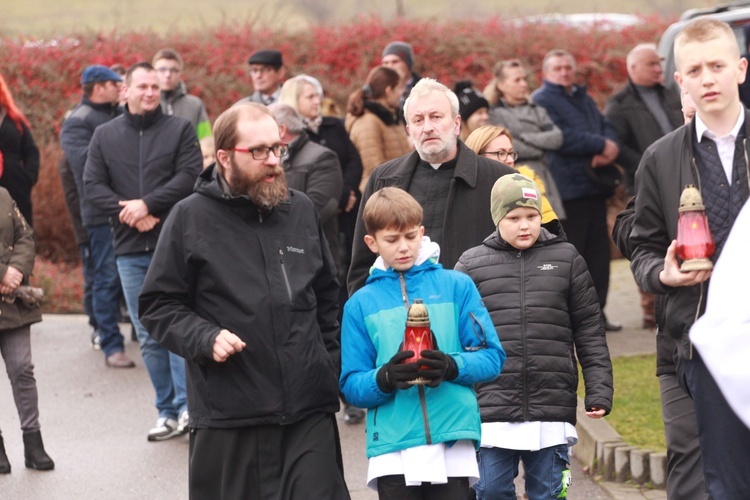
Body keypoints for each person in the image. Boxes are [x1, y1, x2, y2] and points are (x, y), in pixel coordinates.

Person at [138, 103, 350, 499]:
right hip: (230, 414)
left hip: (307, 411)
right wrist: (204, 337)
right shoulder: (188, 218)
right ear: (223, 157)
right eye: (258, 151)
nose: (272, 161)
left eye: (278, 148)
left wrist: (327, 364)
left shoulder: (300, 209)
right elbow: (158, 304)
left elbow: (327, 297)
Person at [629, 18, 750, 499]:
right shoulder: (660, 158)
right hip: (703, 346)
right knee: (725, 485)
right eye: (695, 69)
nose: (708, 78)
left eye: (717, 65)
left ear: (740, 69)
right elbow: (640, 243)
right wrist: (662, 272)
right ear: (680, 81)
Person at [340, 186, 504, 497]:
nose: (404, 247)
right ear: (371, 242)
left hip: (453, 437)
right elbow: (350, 384)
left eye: (411, 236)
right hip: (393, 445)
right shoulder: (359, 304)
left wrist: (452, 366)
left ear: (422, 232)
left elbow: (493, 357)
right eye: (392, 240)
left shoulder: (457, 285)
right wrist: (383, 378)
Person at [456, 173, 612, 499]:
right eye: (513, 218)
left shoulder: (567, 259)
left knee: (550, 493)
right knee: (490, 490)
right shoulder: (471, 264)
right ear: (497, 218)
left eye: (531, 216)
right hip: (491, 409)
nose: (524, 225)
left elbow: (588, 329)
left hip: (550, 410)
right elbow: (453, 333)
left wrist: (599, 389)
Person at [84, 62, 202, 441]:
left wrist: (148, 204)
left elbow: (189, 175)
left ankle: (188, 408)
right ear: (126, 91)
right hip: (130, 248)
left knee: (180, 327)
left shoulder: (180, 129)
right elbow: (92, 185)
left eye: (155, 86)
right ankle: (166, 411)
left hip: (175, 244)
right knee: (148, 333)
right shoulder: (104, 135)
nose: (150, 92)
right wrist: (131, 212)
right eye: (143, 86)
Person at [347, 78, 516, 295]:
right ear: (409, 130)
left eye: (436, 117)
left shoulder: (501, 179)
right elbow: (362, 264)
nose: (427, 128)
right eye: (418, 120)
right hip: (402, 316)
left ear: (456, 124)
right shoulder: (383, 179)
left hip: (477, 314)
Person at [278, 75, 367, 425]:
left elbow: (318, 204)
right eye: (309, 96)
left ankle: (348, 392)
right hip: (284, 257)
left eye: (319, 94)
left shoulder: (324, 147)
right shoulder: (278, 156)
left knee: (332, 321)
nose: (317, 101)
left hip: (322, 249)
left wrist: (347, 192)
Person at [531, 49, 622, 332]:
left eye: (568, 67)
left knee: (599, 255)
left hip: (593, 186)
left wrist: (610, 144)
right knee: (574, 256)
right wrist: (600, 145)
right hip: (567, 190)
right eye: (557, 68)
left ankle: (599, 315)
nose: (564, 72)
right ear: (545, 73)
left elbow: (605, 123)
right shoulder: (542, 100)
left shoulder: (583, 97)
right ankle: (574, 319)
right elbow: (561, 138)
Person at [605, 43, 684, 331]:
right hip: (642, 184)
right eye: (652, 64)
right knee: (647, 240)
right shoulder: (619, 104)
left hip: (682, 178)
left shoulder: (670, 94)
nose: (658, 69)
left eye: (659, 63)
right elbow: (619, 147)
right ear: (633, 68)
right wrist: (651, 165)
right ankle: (650, 309)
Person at [60, 65, 130, 363]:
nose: (121, 88)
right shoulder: (78, 122)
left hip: (133, 206)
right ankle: (110, 343)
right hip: (101, 213)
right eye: (116, 83)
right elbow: (88, 165)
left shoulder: (118, 114)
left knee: (134, 274)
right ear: (99, 86)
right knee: (106, 277)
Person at [0, 187, 54, 473]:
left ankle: (33, 443)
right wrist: (1, 273)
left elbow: (25, 235)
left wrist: (16, 271)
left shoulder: (4, 196)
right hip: (6, 285)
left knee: (22, 369)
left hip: (12, 302)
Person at [486, 59, 565, 219]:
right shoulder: (494, 113)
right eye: (517, 80)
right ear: (501, 85)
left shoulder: (537, 110)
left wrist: (523, 136)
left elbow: (557, 138)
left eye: (524, 79)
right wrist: (541, 145)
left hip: (545, 178)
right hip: (515, 177)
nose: (523, 84)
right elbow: (512, 146)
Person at [269, 103, 343, 270]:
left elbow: (317, 210)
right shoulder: (271, 159)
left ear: (281, 129)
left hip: (314, 261)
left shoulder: (323, 158)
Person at [465, 125, 557, 223]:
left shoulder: (527, 187)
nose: (510, 160)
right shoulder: (463, 192)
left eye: (511, 153)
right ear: (478, 156)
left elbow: (552, 231)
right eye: (501, 153)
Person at [345, 66, 411, 194]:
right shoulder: (368, 122)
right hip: (381, 197)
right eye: (398, 88)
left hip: (399, 192)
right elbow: (375, 169)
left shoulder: (392, 117)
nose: (401, 93)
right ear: (388, 90)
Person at [0, 75, 39, 227]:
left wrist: (28, 177)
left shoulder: (14, 119)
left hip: (15, 183)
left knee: (19, 230)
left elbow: (31, 151)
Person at [152, 48, 211, 141]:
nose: (168, 74)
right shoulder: (146, 104)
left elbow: (206, 140)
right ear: (153, 72)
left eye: (173, 70)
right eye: (162, 69)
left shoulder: (195, 106)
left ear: (180, 73)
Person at [381, 41, 422, 124]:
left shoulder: (424, 89)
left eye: (395, 62)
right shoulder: (377, 91)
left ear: (408, 64)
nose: (390, 67)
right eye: (386, 63)